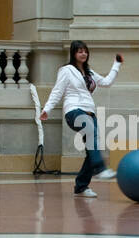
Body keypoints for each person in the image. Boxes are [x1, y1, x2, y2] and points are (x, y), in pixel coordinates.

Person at [41, 41, 123, 198]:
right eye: (79, 51)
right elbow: (57, 91)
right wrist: (47, 109)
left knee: (91, 150)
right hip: (74, 111)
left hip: (90, 113)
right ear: (73, 54)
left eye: (85, 51)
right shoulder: (67, 70)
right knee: (91, 132)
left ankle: (81, 187)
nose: (83, 54)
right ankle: (100, 168)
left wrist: (116, 65)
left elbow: (106, 82)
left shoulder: (89, 72)